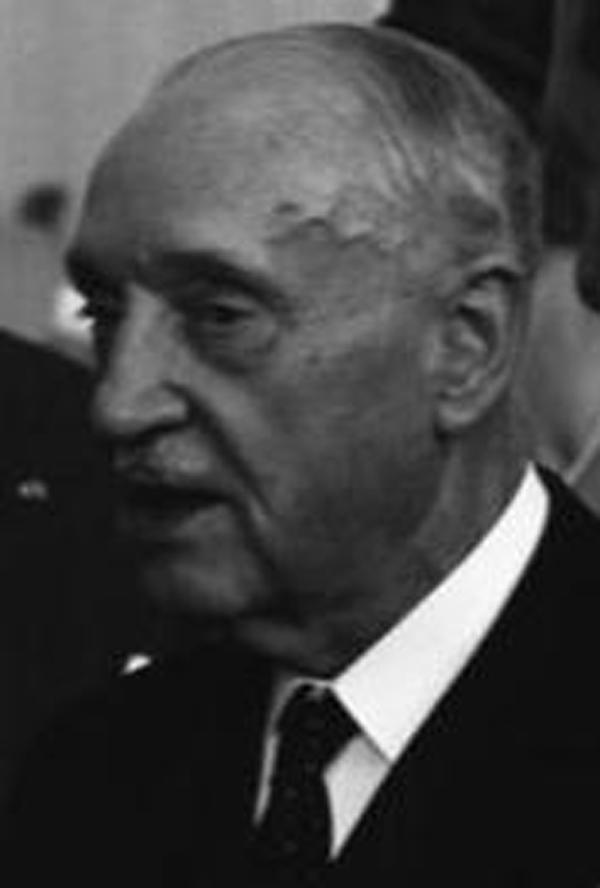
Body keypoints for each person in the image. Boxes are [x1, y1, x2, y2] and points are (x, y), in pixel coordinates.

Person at [5, 22, 600, 888]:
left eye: (220, 316)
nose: (118, 404)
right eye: (105, 315)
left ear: (465, 345)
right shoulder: (90, 772)